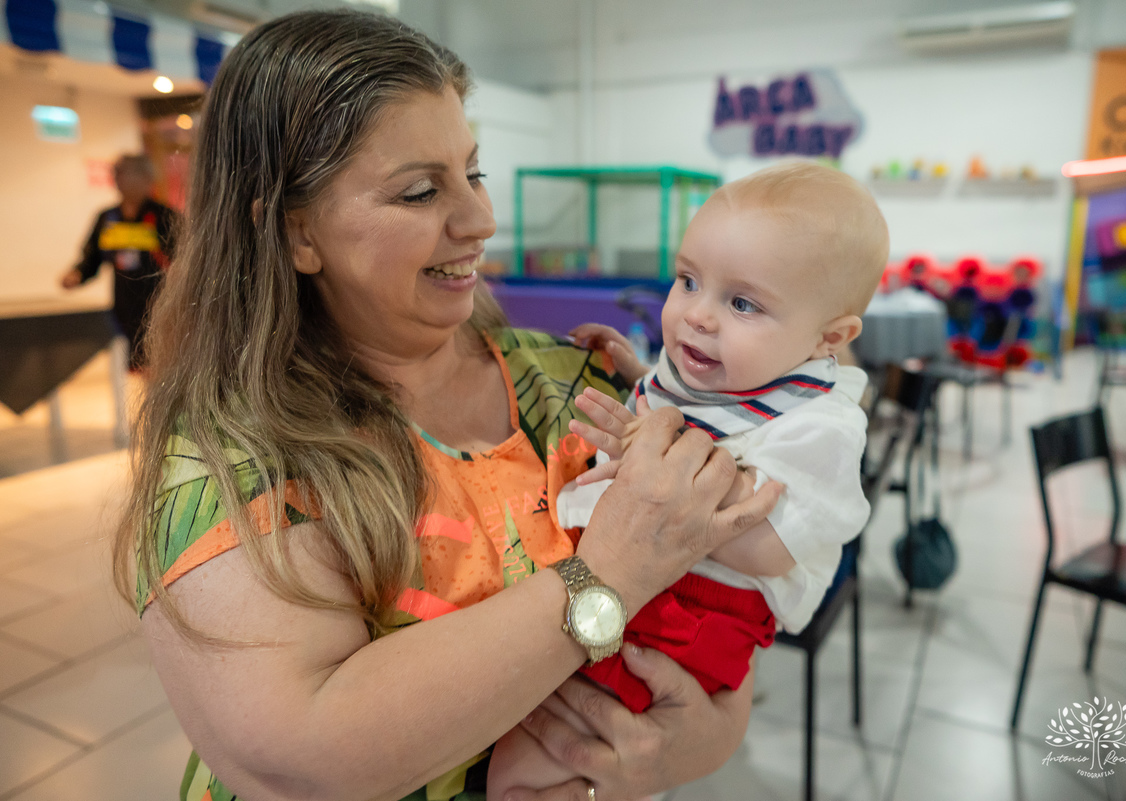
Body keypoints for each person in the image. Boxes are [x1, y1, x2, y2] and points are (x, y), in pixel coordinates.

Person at [115, 10, 783, 801]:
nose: (479, 221)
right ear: (295, 232)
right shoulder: (231, 450)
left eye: (474, 173)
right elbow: (301, 753)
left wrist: (682, 746)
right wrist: (608, 574)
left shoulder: (572, 381)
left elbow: (724, 630)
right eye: (422, 191)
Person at [487, 162, 889, 800]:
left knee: (527, 766)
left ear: (828, 338)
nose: (697, 315)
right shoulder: (730, 373)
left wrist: (666, 475)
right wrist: (636, 372)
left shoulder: (820, 426)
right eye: (687, 280)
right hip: (641, 590)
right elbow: (697, 414)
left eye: (742, 302)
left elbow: (772, 546)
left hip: (696, 618)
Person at [61, 154, 177, 369]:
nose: (118, 179)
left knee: (163, 364)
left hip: (160, 305)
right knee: (136, 367)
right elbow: (92, 256)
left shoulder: (165, 216)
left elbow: (182, 258)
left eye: (124, 173)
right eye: (116, 174)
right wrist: (77, 274)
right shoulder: (107, 217)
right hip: (124, 306)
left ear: (146, 177)